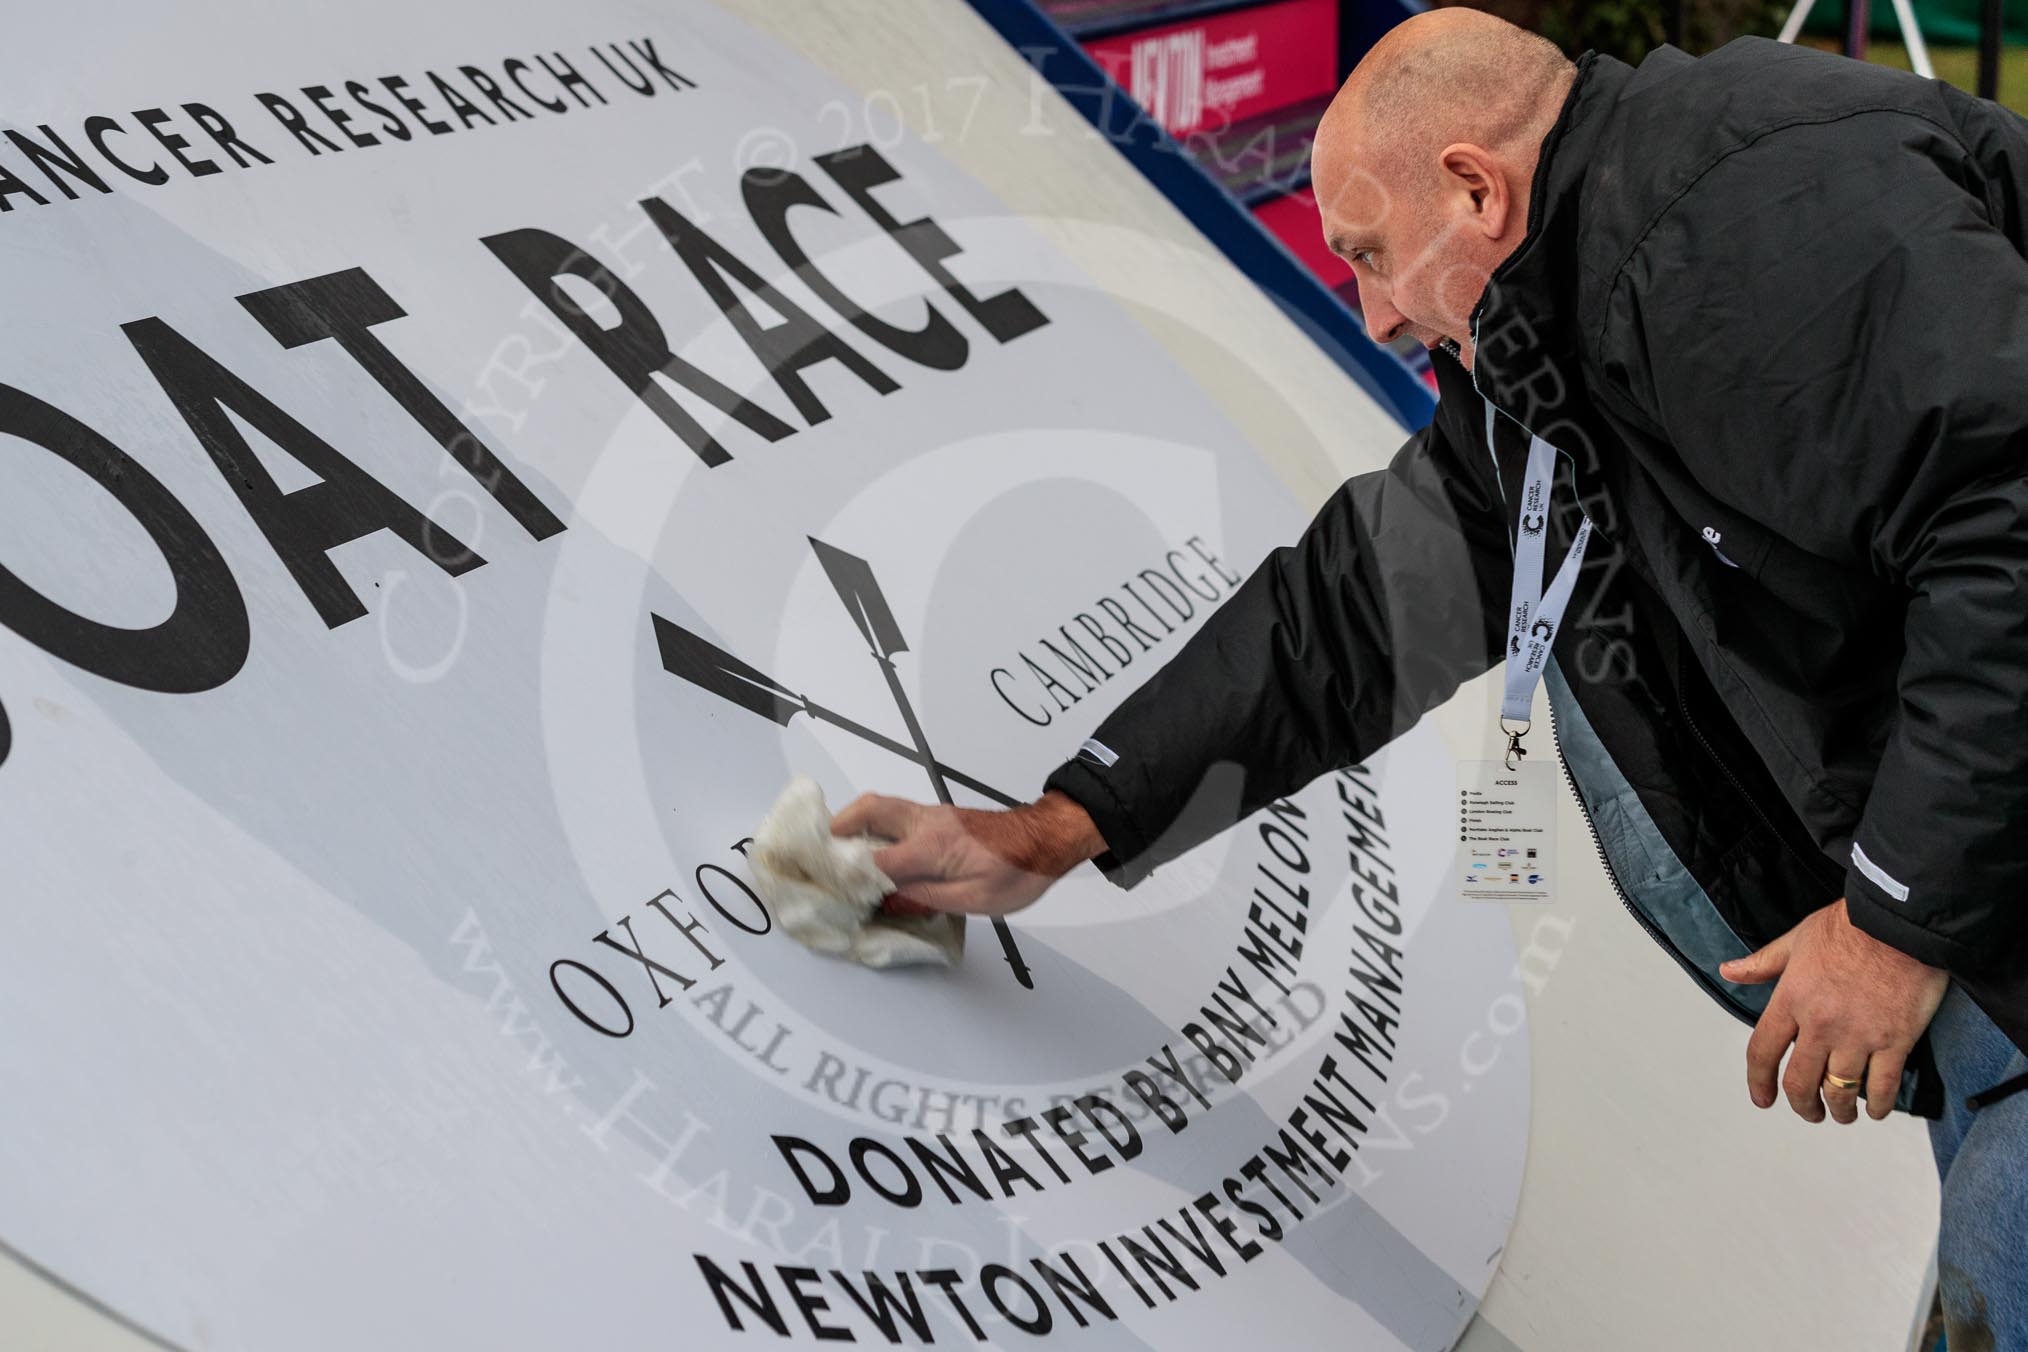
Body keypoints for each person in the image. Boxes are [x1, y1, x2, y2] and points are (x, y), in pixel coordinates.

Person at [833, 10, 2028, 1344]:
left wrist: (1893, 920)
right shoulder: (1558, 331)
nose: (1378, 311)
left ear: (1475, 186)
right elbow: (1352, 612)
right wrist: (1061, 827)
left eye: (1372, 255)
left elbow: (2012, 522)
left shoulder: (1741, 230)